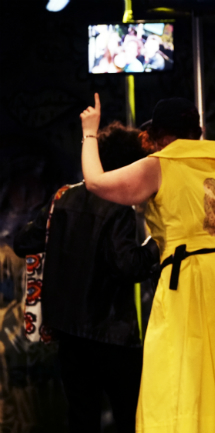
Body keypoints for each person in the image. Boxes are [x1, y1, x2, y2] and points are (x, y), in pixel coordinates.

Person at [79, 94, 215, 432]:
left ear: (160, 136)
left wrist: (89, 131)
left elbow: (95, 182)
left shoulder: (159, 165)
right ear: (198, 131)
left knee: (180, 369)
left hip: (187, 273)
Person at [13, 121, 158, 433]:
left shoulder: (62, 198)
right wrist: (158, 243)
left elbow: (23, 242)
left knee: (81, 419)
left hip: (68, 331)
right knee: (130, 417)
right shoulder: (118, 205)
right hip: (112, 333)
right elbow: (127, 265)